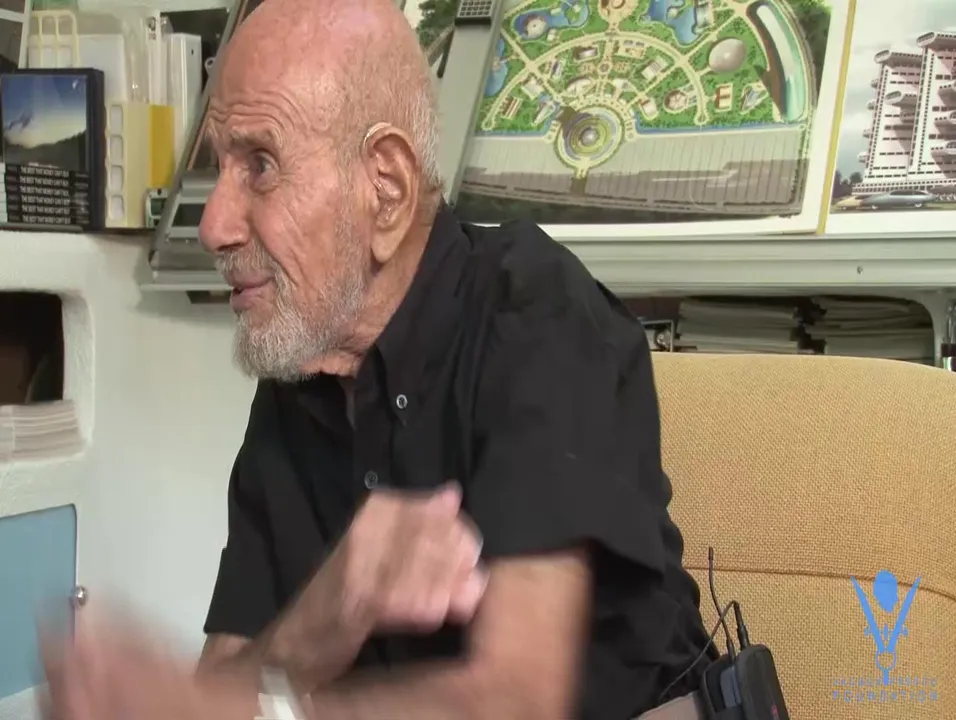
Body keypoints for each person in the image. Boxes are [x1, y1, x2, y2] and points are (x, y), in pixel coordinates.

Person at [43, 0, 715, 717]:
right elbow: (222, 687)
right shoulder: (299, 375)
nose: (213, 225)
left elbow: (518, 701)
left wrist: (225, 707)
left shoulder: (535, 310)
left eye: (260, 165)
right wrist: (314, 624)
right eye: (219, 167)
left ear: (385, 190)